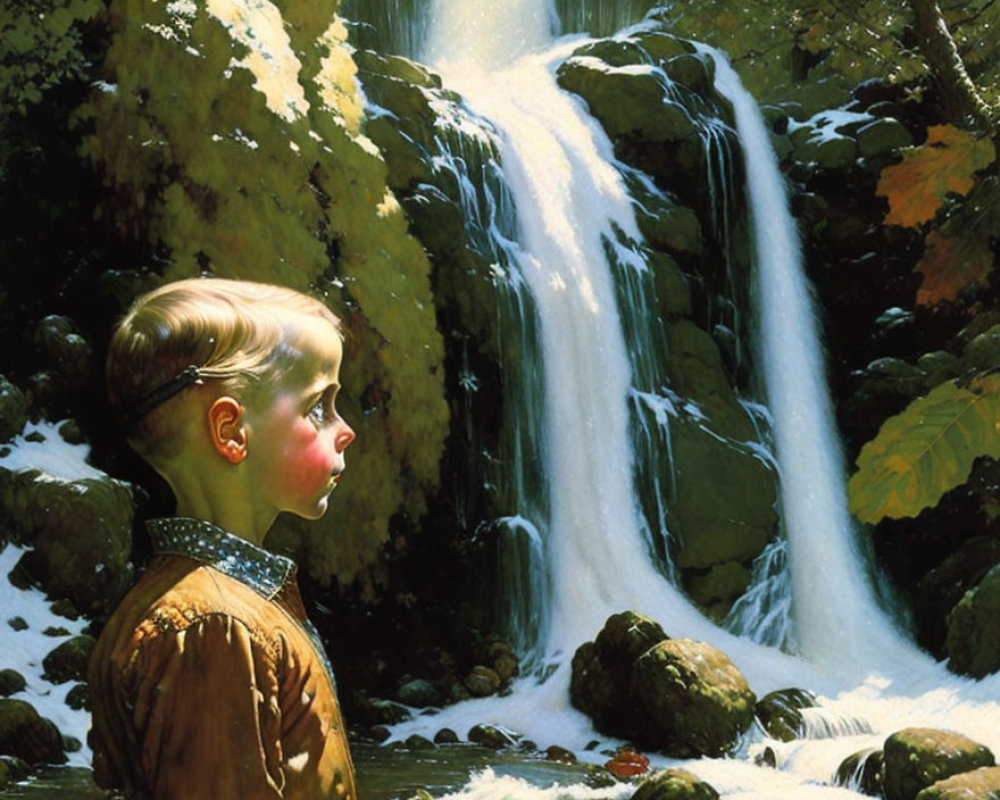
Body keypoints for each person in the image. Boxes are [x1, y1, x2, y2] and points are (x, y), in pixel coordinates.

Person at [88, 277, 358, 800]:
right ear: (232, 432)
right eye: (319, 408)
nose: (344, 430)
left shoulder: (219, 605)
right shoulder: (216, 629)